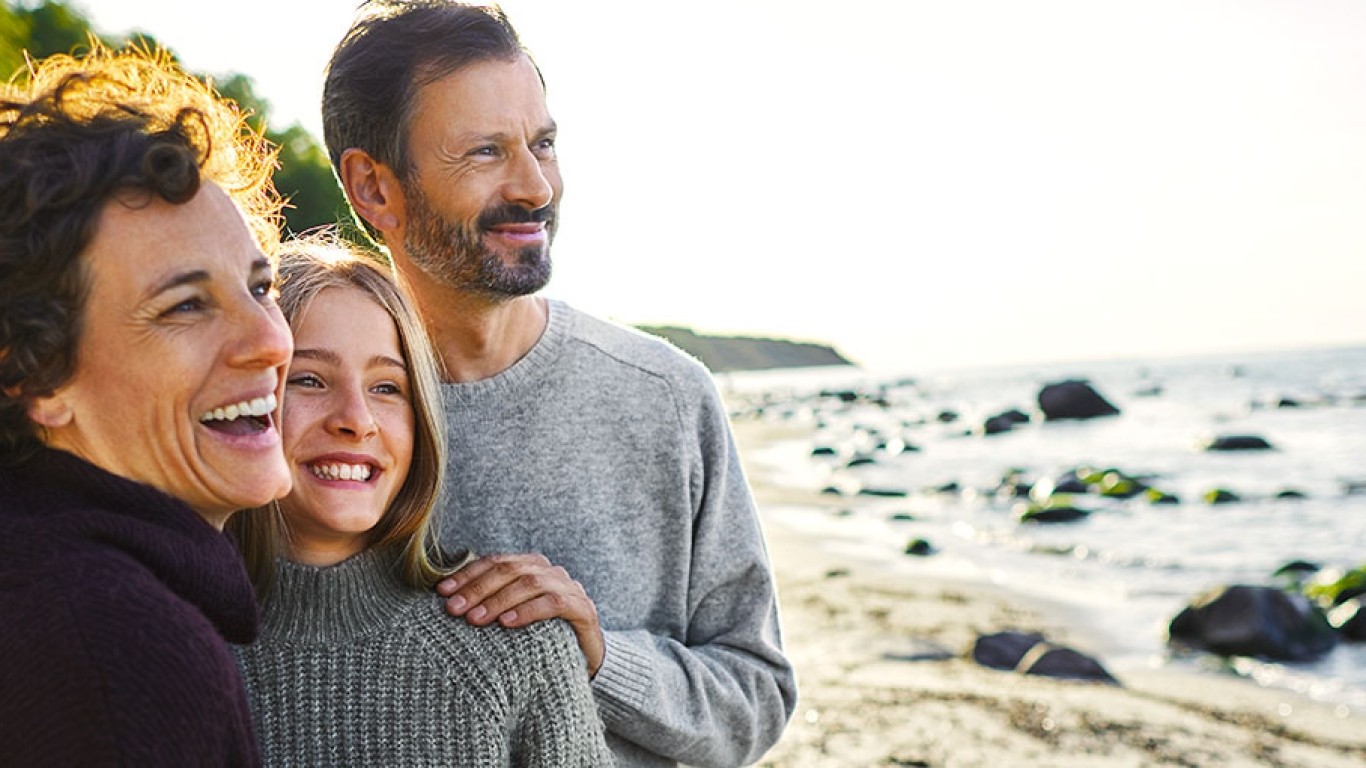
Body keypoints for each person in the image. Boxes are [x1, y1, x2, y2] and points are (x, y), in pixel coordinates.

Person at [322, 3, 797, 765]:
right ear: (375, 188)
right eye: (485, 153)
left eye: (543, 144)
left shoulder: (668, 398)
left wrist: (600, 655)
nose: (537, 187)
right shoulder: (320, 426)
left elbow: (757, 700)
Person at [0, 44, 292, 765]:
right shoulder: (111, 648)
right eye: (186, 305)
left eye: (261, 287)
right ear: (36, 378)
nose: (272, 341)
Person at [229, 234, 615, 766]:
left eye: (387, 388)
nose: (356, 419)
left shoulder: (517, 647)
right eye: (310, 380)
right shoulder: (164, 646)